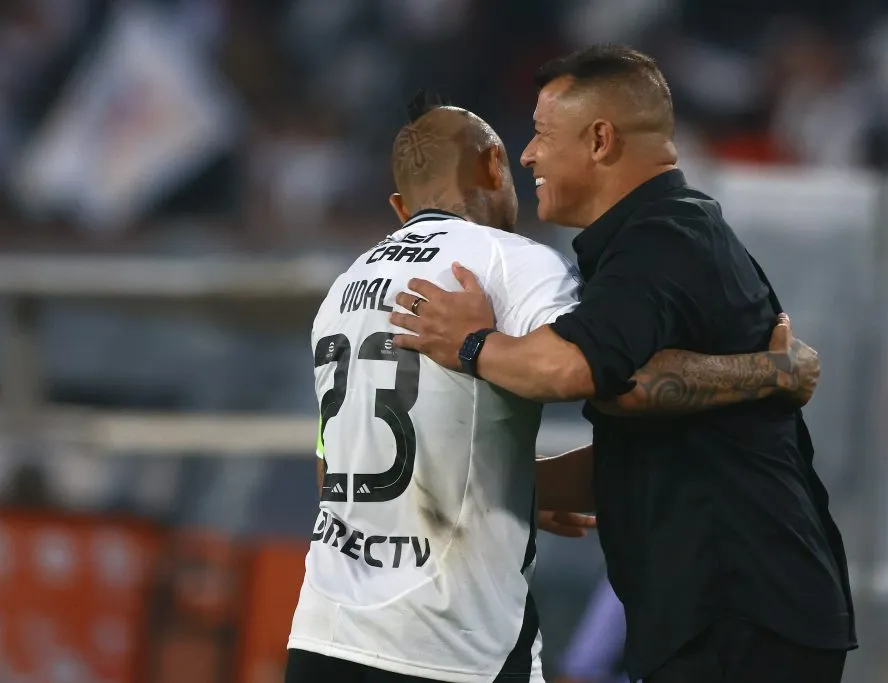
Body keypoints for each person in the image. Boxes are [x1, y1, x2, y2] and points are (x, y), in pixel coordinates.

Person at [285, 92, 824, 683]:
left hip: (323, 633)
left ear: (398, 205)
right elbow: (616, 377)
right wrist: (771, 373)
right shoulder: (511, 264)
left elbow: (331, 469)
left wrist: (520, 487)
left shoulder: (340, 293)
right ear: (494, 166)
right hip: (452, 643)